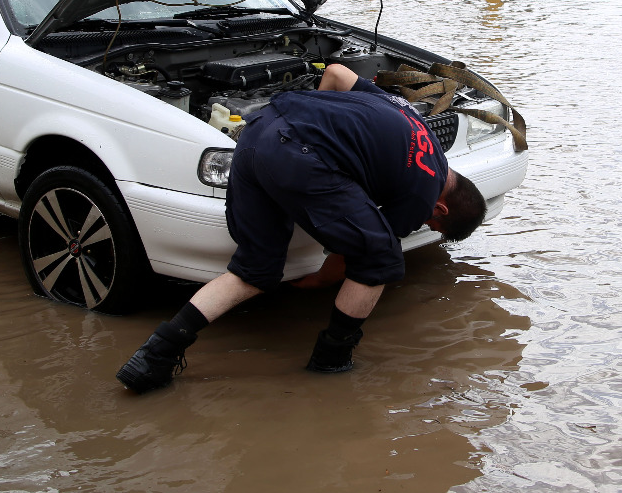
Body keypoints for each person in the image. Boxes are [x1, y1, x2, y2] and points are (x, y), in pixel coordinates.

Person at [116, 63, 488, 394]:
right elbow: (355, 254)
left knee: (255, 271)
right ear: (439, 209)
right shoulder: (422, 192)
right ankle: (331, 361)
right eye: (430, 221)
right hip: (298, 156)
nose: (422, 220)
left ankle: (156, 354)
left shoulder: (414, 119)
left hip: (256, 134)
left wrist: (318, 120)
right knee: (381, 261)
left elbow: (336, 73)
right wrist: (320, 281)